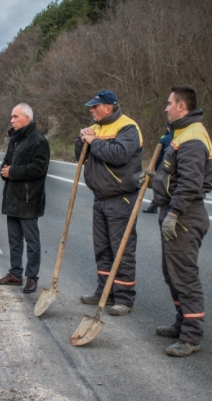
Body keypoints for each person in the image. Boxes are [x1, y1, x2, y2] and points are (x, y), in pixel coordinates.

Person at [144, 85, 212, 357]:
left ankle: (191, 336)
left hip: (185, 214)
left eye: (169, 103)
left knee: (184, 276)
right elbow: (173, 174)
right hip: (175, 209)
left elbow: (190, 182)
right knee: (171, 273)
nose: (165, 108)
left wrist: (173, 214)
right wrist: (153, 179)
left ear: (181, 106)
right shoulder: (181, 133)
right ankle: (181, 321)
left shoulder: (193, 136)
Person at [75, 90, 143, 316]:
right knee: (102, 248)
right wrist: (82, 138)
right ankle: (104, 291)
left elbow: (119, 155)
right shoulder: (96, 128)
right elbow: (81, 157)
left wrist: (94, 141)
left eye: (95, 107)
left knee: (121, 249)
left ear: (109, 107)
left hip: (121, 198)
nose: (91, 110)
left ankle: (124, 298)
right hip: (100, 198)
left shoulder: (128, 128)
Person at [0, 103, 50, 294]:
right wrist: (5, 171)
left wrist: (12, 172)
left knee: (32, 241)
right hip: (12, 197)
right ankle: (15, 273)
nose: (12, 120)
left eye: (15, 117)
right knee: (14, 240)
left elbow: (39, 168)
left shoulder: (39, 141)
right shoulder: (14, 139)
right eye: (12, 116)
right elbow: (6, 164)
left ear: (26, 118)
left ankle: (31, 277)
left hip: (29, 199)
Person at [142, 123, 173, 213]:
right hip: (175, 168)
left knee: (159, 187)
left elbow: (159, 156)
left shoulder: (164, 139)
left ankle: (154, 206)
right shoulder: (180, 138)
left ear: (168, 128)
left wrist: (156, 168)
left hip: (163, 167)